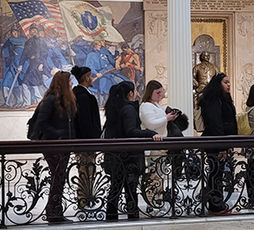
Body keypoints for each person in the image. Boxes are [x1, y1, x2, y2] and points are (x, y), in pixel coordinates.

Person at [103, 81, 162, 221]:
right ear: (130, 94)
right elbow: (131, 131)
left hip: (116, 155)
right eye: (134, 91)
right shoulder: (128, 109)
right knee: (130, 189)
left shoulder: (115, 108)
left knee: (115, 188)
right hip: (128, 156)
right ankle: (132, 217)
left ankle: (111, 217)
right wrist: (149, 133)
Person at [35, 71, 76, 224]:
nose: (72, 83)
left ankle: (55, 211)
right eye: (70, 81)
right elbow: (42, 123)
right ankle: (53, 213)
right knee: (58, 178)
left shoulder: (64, 100)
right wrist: (59, 133)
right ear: (63, 83)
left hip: (62, 145)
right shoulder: (50, 99)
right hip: (52, 145)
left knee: (59, 178)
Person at [198, 72, 237, 215]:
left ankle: (217, 203)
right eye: (225, 82)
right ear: (217, 84)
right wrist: (222, 146)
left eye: (229, 82)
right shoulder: (213, 100)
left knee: (218, 174)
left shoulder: (223, 99)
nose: (229, 85)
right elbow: (216, 124)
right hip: (216, 142)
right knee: (215, 174)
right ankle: (215, 206)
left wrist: (229, 143)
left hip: (222, 141)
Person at [139, 80, 178, 203]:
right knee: (154, 175)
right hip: (153, 145)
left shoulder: (156, 105)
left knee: (159, 175)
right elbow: (150, 123)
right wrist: (166, 118)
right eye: (157, 92)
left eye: (161, 92)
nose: (160, 95)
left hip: (161, 143)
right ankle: (153, 201)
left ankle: (158, 200)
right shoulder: (146, 105)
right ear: (150, 92)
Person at [71, 66, 102, 208]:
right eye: (90, 75)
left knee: (87, 171)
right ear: (85, 77)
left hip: (86, 141)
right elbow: (85, 122)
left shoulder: (80, 93)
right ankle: (84, 200)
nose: (92, 78)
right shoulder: (82, 96)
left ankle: (85, 198)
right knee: (86, 171)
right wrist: (92, 141)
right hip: (86, 142)